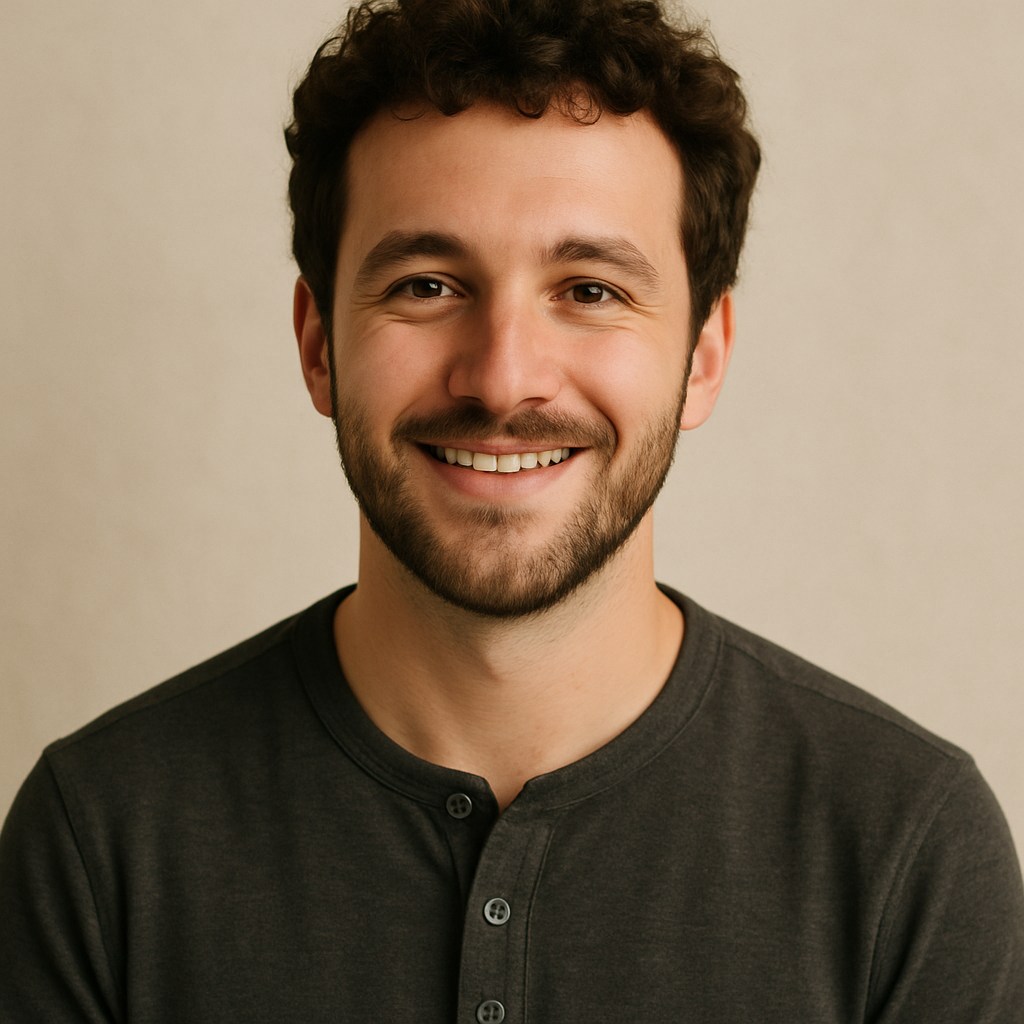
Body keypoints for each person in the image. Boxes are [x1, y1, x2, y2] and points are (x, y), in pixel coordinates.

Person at [1, 0, 1022, 1019]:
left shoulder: (906, 852)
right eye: (428, 283)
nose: (502, 378)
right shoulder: (99, 842)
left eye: (588, 291)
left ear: (704, 355)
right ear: (317, 344)